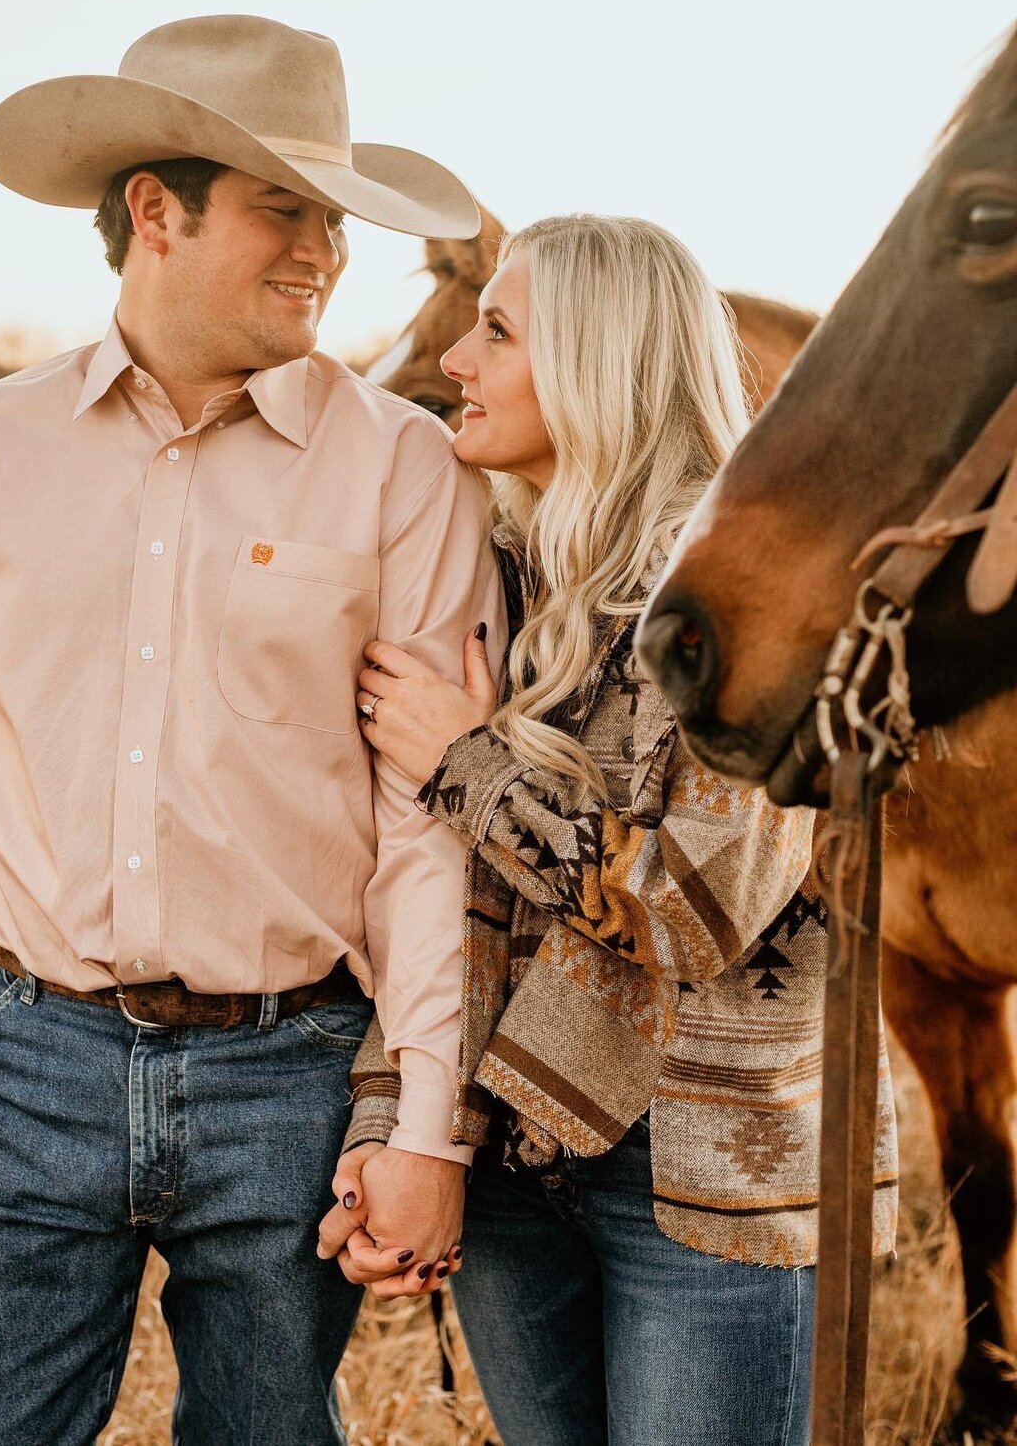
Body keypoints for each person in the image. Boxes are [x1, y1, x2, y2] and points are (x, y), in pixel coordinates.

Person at [0, 15, 503, 1445]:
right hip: (25, 1066)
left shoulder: (407, 471)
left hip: (295, 1074)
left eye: (334, 218)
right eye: (285, 210)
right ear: (154, 210)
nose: (325, 249)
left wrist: (426, 1120)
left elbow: (423, 826)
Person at [319, 214, 899, 1446]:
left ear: (599, 360)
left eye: (496, 332)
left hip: (702, 1182)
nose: (452, 363)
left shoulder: (763, 594)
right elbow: (443, 895)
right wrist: (398, 1120)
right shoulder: (500, 575)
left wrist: (469, 763)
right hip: (516, 1158)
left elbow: (691, 906)